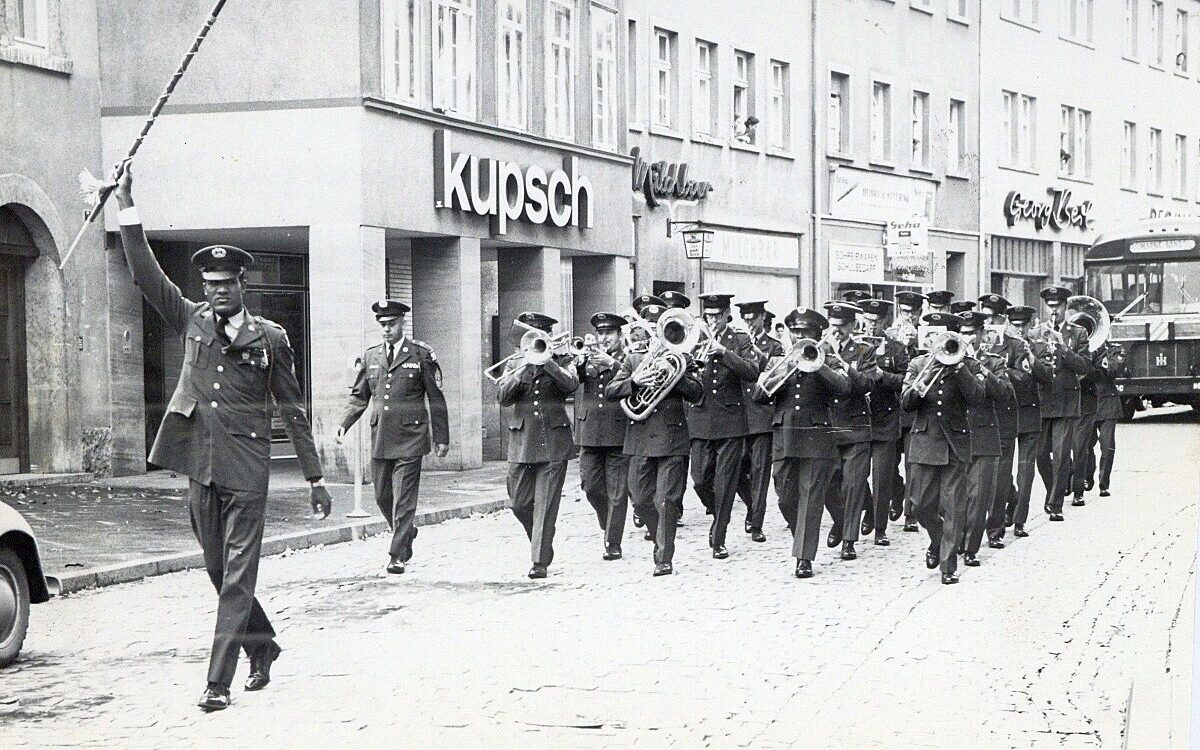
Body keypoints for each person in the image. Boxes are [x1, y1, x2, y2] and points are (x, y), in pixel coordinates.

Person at [113, 165, 332, 712]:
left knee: (237, 575)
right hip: (198, 462)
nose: (215, 295)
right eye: (208, 288)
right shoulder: (190, 319)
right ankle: (265, 646)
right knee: (216, 568)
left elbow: (292, 407)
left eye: (224, 287)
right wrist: (126, 206)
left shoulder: (270, 337)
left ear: (242, 285)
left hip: (247, 467)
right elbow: (145, 274)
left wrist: (315, 476)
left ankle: (217, 682)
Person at [337, 300, 449, 575]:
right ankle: (406, 532)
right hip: (381, 437)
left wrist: (441, 436)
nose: (386, 330)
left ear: (402, 323)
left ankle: (396, 554)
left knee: (403, 499)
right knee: (381, 495)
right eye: (382, 325)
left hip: (411, 437)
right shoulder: (372, 356)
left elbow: (436, 398)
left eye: (391, 324)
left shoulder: (421, 354)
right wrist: (344, 423)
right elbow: (359, 396)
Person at [753, 307, 852, 578]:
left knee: (810, 498)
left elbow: (844, 389)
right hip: (784, 435)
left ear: (816, 335)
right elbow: (758, 396)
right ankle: (805, 535)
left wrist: (817, 366)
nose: (798, 337)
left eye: (804, 333)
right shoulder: (779, 359)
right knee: (785, 495)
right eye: (795, 332)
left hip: (816, 436)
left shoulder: (828, 358)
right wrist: (784, 367)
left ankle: (804, 557)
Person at [605, 305, 703, 576]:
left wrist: (677, 376)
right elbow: (611, 390)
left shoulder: (684, 359)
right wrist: (635, 383)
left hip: (672, 438)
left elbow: (697, 394)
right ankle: (659, 531)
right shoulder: (634, 360)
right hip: (639, 438)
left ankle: (664, 556)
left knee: (668, 500)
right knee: (639, 499)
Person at [901, 311, 985, 585]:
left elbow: (977, 398)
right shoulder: (918, 364)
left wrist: (959, 367)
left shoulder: (967, 364)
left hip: (955, 444)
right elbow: (906, 402)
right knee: (920, 505)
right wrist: (917, 388)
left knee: (953, 507)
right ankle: (937, 540)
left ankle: (948, 566)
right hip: (925, 443)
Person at [496, 312, 579, 578]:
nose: (533, 342)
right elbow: (503, 398)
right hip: (522, 442)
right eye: (529, 337)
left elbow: (571, 385)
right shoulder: (515, 364)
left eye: (538, 336)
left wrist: (548, 363)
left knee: (545, 505)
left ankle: (539, 561)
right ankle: (541, 541)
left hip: (554, 442)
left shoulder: (563, 359)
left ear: (547, 336)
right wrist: (526, 369)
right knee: (519, 503)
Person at [687, 293, 761, 559]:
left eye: (718, 315)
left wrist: (725, 353)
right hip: (700, 418)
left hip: (731, 421)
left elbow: (753, 371)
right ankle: (718, 514)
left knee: (726, 481)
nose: (714, 320)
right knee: (699, 480)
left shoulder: (739, 339)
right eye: (709, 315)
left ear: (727, 313)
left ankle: (719, 536)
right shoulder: (692, 338)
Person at [820, 302, 879, 561]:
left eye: (841, 328)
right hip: (829, 427)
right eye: (832, 327)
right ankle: (840, 521)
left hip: (856, 427)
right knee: (828, 485)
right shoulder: (818, 350)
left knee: (854, 486)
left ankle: (849, 541)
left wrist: (842, 362)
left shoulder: (865, 351)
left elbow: (867, 384)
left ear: (852, 326)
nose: (836, 332)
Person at [573, 312, 630, 560]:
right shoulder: (588, 357)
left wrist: (611, 363)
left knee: (617, 492)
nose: (604, 338)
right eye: (601, 333)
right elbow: (575, 380)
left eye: (609, 333)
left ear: (619, 335)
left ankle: (613, 542)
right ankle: (607, 523)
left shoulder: (627, 358)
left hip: (618, 430)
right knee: (591, 488)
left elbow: (632, 377)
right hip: (590, 432)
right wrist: (579, 360)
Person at [957, 310, 1011, 568]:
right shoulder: (949, 357)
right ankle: (955, 539)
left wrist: (983, 371)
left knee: (978, 499)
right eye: (963, 333)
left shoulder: (994, 361)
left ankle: (970, 547)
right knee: (953, 497)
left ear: (981, 334)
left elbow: (1005, 393)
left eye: (971, 333)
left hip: (984, 435)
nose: (967, 338)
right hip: (955, 435)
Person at [1034, 286, 1090, 522]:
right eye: (1050, 306)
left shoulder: (1078, 334)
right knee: (1040, 455)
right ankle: (1052, 489)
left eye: (1058, 306)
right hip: (1043, 400)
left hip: (1066, 402)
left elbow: (1085, 367)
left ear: (1065, 307)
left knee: (1061, 454)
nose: (1054, 310)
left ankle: (1056, 503)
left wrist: (1064, 349)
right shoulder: (1036, 333)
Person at [857, 299, 908, 547]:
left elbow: (906, 381)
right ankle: (868, 508)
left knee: (882, 476)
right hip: (858, 419)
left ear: (885, 322)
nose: (871, 326)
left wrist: (882, 376)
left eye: (876, 321)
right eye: (867, 320)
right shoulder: (854, 346)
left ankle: (879, 528)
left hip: (885, 418)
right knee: (855, 475)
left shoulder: (896, 349)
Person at [736, 300, 784, 542]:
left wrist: (755, 353)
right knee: (736, 471)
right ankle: (750, 505)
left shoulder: (774, 346)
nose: (749, 323)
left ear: (762, 317)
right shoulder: (736, 342)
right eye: (745, 319)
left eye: (753, 318)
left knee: (760, 471)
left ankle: (757, 523)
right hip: (737, 415)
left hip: (762, 415)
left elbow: (774, 376)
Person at [977, 294, 1022, 547]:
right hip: (978, 421)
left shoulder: (1014, 345)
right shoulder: (971, 345)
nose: (990, 322)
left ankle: (995, 531)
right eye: (987, 317)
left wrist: (1000, 373)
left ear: (1003, 318)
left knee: (1000, 476)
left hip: (1003, 418)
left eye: (994, 316)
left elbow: (1025, 379)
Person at [1003, 305, 1053, 537]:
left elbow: (1047, 377)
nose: (1019, 329)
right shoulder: (1001, 347)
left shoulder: (1040, 347)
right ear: (1008, 324)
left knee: (1026, 470)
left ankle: (1020, 520)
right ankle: (1011, 500)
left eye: (1023, 325)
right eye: (1015, 325)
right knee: (1002, 470)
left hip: (1030, 415)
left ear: (1031, 325)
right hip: (1007, 415)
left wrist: (1031, 358)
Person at [892, 291, 927, 531]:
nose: (909, 316)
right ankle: (897, 493)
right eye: (905, 311)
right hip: (888, 413)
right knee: (887, 465)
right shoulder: (889, 337)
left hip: (912, 412)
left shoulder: (926, 337)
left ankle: (910, 512)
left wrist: (913, 344)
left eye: (913, 312)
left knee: (912, 464)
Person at [1089, 342, 1125, 497]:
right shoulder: (1083, 349)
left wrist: (1107, 362)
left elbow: (1117, 369)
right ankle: (1087, 475)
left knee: (1107, 446)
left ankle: (1104, 483)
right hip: (1088, 404)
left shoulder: (1114, 350)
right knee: (1083, 445)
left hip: (1108, 404)